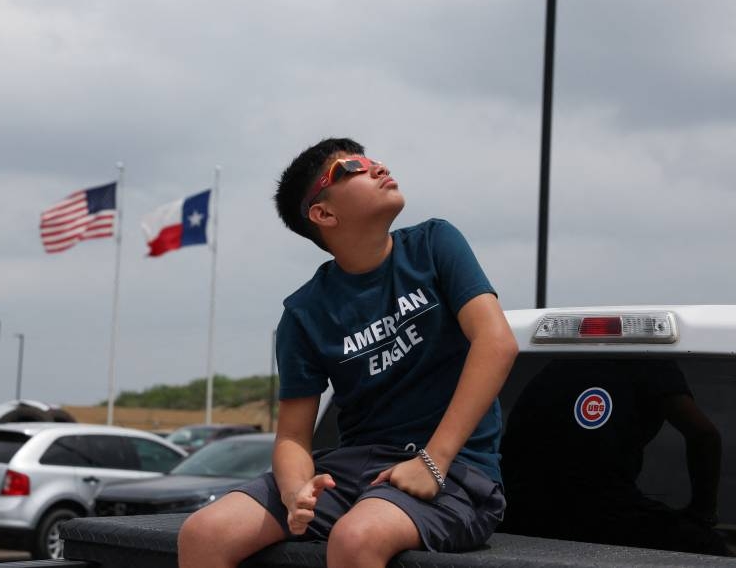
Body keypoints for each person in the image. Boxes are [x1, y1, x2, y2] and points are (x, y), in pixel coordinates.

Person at [179, 138, 519, 568]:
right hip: (352, 470)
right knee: (203, 534)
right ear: (323, 213)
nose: (376, 166)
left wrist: (431, 462)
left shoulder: (434, 245)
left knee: (356, 538)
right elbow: (291, 437)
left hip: (455, 473)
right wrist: (295, 491)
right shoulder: (304, 313)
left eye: (372, 158)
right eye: (351, 168)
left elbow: (496, 343)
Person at [500, 358, 731, 556]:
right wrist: (704, 512)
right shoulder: (649, 363)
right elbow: (704, 434)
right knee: (711, 549)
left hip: (516, 515)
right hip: (606, 512)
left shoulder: (555, 366)